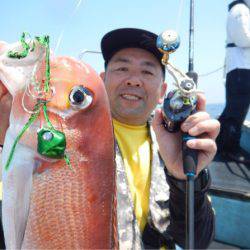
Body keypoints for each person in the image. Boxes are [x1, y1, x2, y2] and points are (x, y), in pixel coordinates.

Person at [100, 28, 220, 249]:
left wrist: (183, 179)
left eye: (147, 72)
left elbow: (198, 240)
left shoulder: (178, 142)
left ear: (163, 91)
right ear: (101, 79)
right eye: (122, 68)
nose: (134, 80)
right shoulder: (74, 137)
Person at [216, 0, 250, 163]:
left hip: (238, 68)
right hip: (241, 68)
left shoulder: (237, 10)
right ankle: (230, 149)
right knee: (236, 111)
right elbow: (244, 38)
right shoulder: (241, 10)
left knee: (233, 110)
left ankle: (221, 144)